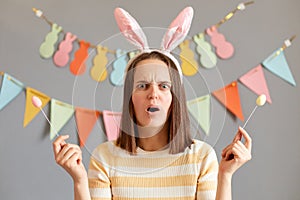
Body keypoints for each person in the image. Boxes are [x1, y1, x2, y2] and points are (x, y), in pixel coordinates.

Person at [52, 7, 252, 200]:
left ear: (175, 98)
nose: (153, 94)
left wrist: (225, 176)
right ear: (130, 97)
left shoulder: (201, 156)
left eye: (164, 85)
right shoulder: (104, 157)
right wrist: (79, 180)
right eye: (142, 85)